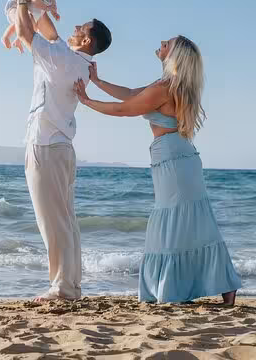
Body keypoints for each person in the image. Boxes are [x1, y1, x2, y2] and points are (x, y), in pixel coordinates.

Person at [73, 35, 242, 305]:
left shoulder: (165, 87)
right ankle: (224, 285)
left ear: (174, 55)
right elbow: (130, 94)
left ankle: (175, 288)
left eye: (168, 43)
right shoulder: (171, 85)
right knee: (195, 222)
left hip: (173, 160)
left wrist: (87, 101)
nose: (162, 42)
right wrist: (97, 82)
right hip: (179, 157)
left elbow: (124, 109)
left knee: (173, 222)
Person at [12, 0, 112, 301]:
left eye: (80, 27)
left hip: (47, 145)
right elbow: (48, 31)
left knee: (53, 222)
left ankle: (62, 288)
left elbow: (29, 35)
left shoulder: (65, 60)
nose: (74, 28)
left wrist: (23, 3)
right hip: (61, 147)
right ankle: (71, 285)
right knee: (66, 220)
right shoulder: (76, 61)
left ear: (86, 39)